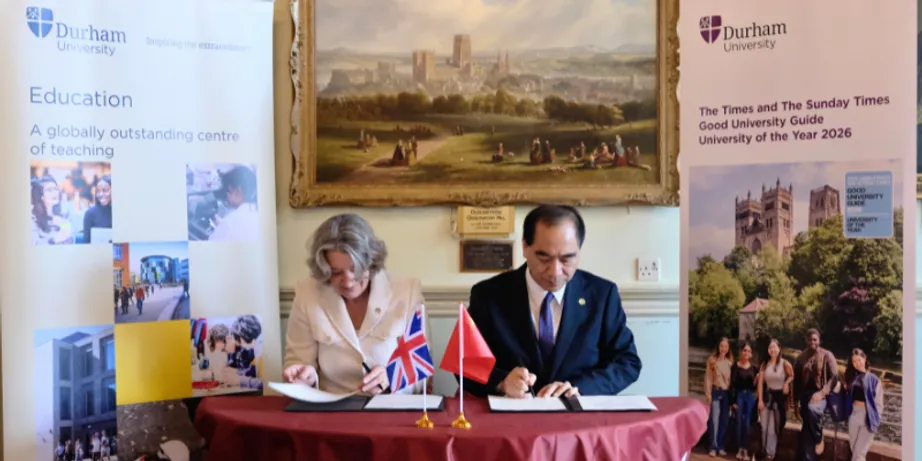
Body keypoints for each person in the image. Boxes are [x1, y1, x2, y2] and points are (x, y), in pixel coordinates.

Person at [460, 205, 641, 399]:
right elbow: (465, 362)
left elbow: (626, 362)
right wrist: (502, 382)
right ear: (525, 247)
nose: (554, 272)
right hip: (513, 416)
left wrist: (580, 388)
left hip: (579, 417)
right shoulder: (488, 295)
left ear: (579, 250)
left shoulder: (602, 295)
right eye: (544, 257)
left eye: (567, 259)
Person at [283, 213, 428, 395]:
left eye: (355, 269)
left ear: (371, 262)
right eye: (336, 272)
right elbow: (297, 363)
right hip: (331, 413)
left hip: (391, 411)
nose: (348, 282)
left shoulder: (406, 292)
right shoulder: (308, 293)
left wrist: (391, 378)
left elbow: (422, 374)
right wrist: (306, 378)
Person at [793, 328, 839, 460]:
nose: (812, 342)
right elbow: (796, 382)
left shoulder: (827, 355)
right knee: (806, 429)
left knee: (812, 410)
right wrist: (795, 403)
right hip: (805, 396)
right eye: (810, 339)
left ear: (819, 340)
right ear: (806, 341)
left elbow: (835, 377)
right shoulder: (801, 357)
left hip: (821, 395)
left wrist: (822, 393)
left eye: (815, 339)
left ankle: (819, 437)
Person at [758, 338, 794, 461]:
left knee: (773, 428)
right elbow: (760, 384)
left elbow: (792, 376)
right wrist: (760, 400)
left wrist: (786, 383)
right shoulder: (764, 364)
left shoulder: (785, 364)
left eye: (775, 347)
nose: (772, 350)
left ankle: (770, 454)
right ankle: (763, 450)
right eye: (770, 347)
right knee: (763, 427)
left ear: (779, 349)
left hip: (778, 399)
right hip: (767, 397)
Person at [844, 348, 883, 461]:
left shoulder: (874, 380)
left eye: (859, 360)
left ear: (865, 359)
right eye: (854, 361)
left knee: (858, 454)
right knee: (854, 450)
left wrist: (876, 419)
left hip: (868, 416)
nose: (857, 363)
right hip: (854, 415)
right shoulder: (852, 378)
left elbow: (879, 404)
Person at [209, 165, 258, 241]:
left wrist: (222, 227)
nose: (227, 199)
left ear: (238, 192)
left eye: (228, 192)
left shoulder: (230, 223)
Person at [705, 337, 734, 457]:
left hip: (726, 394)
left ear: (728, 349)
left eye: (726, 347)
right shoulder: (712, 360)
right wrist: (708, 395)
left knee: (724, 421)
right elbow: (708, 378)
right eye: (722, 346)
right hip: (716, 392)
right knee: (714, 420)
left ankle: (721, 446)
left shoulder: (730, 363)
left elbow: (732, 382)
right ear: (718, 347)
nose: (723, 349)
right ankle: (713, 446)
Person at [730, 341, 757, 460]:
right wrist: (733, 401)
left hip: (750, 397)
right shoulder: (735, 366)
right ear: (741, 352)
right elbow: (732, 385)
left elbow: (756, 387)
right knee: (738, 423)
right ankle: (739, 449)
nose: (746, 353)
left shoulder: (755, 368)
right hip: (739, 396)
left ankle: (745, 449)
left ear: (751, 354)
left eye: (749, 351)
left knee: (747, 423)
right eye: (744, 350)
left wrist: (756, 383)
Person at [82, 175, 112, 243]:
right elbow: (86, 243)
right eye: (98, 191)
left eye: (105, 191)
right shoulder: (90, 214)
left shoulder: (120, 212)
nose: (101, 194)